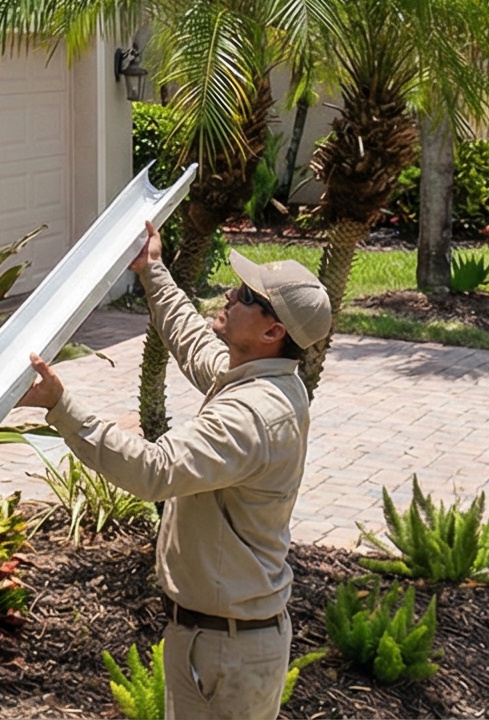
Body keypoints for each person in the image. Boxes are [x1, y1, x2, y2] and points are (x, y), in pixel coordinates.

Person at [20, 228, 329, 720]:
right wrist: (153, 269)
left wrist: (61, 406)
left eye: (248, 296)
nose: (231, 293)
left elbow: (155, 470)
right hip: (213, 638)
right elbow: (191, 344)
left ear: (274, 333)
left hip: (228, 653)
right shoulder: (256, 377)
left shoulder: (252, 416)